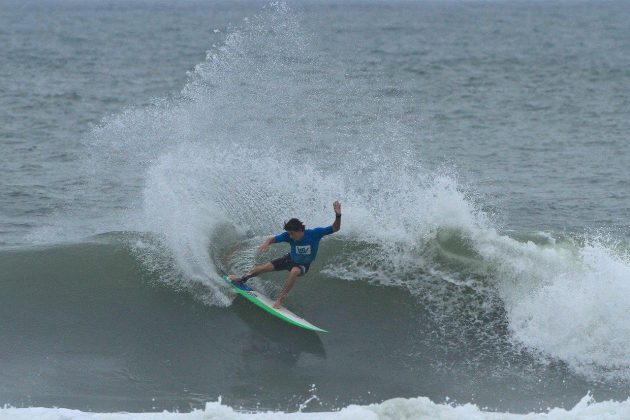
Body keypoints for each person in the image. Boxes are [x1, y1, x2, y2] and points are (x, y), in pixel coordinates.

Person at [229, 201, 342, 308]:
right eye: (289, 234)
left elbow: (335, 228)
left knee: (294, 271)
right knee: (264, 267)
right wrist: (266, 243)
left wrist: (338, 216)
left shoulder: (315, 234)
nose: (290, 236)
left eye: (292, 233)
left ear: (300, 230)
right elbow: (272, 239)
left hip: (303, 265)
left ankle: (280, 299)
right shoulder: (288, 236)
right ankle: (242, 279)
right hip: (289, 259)